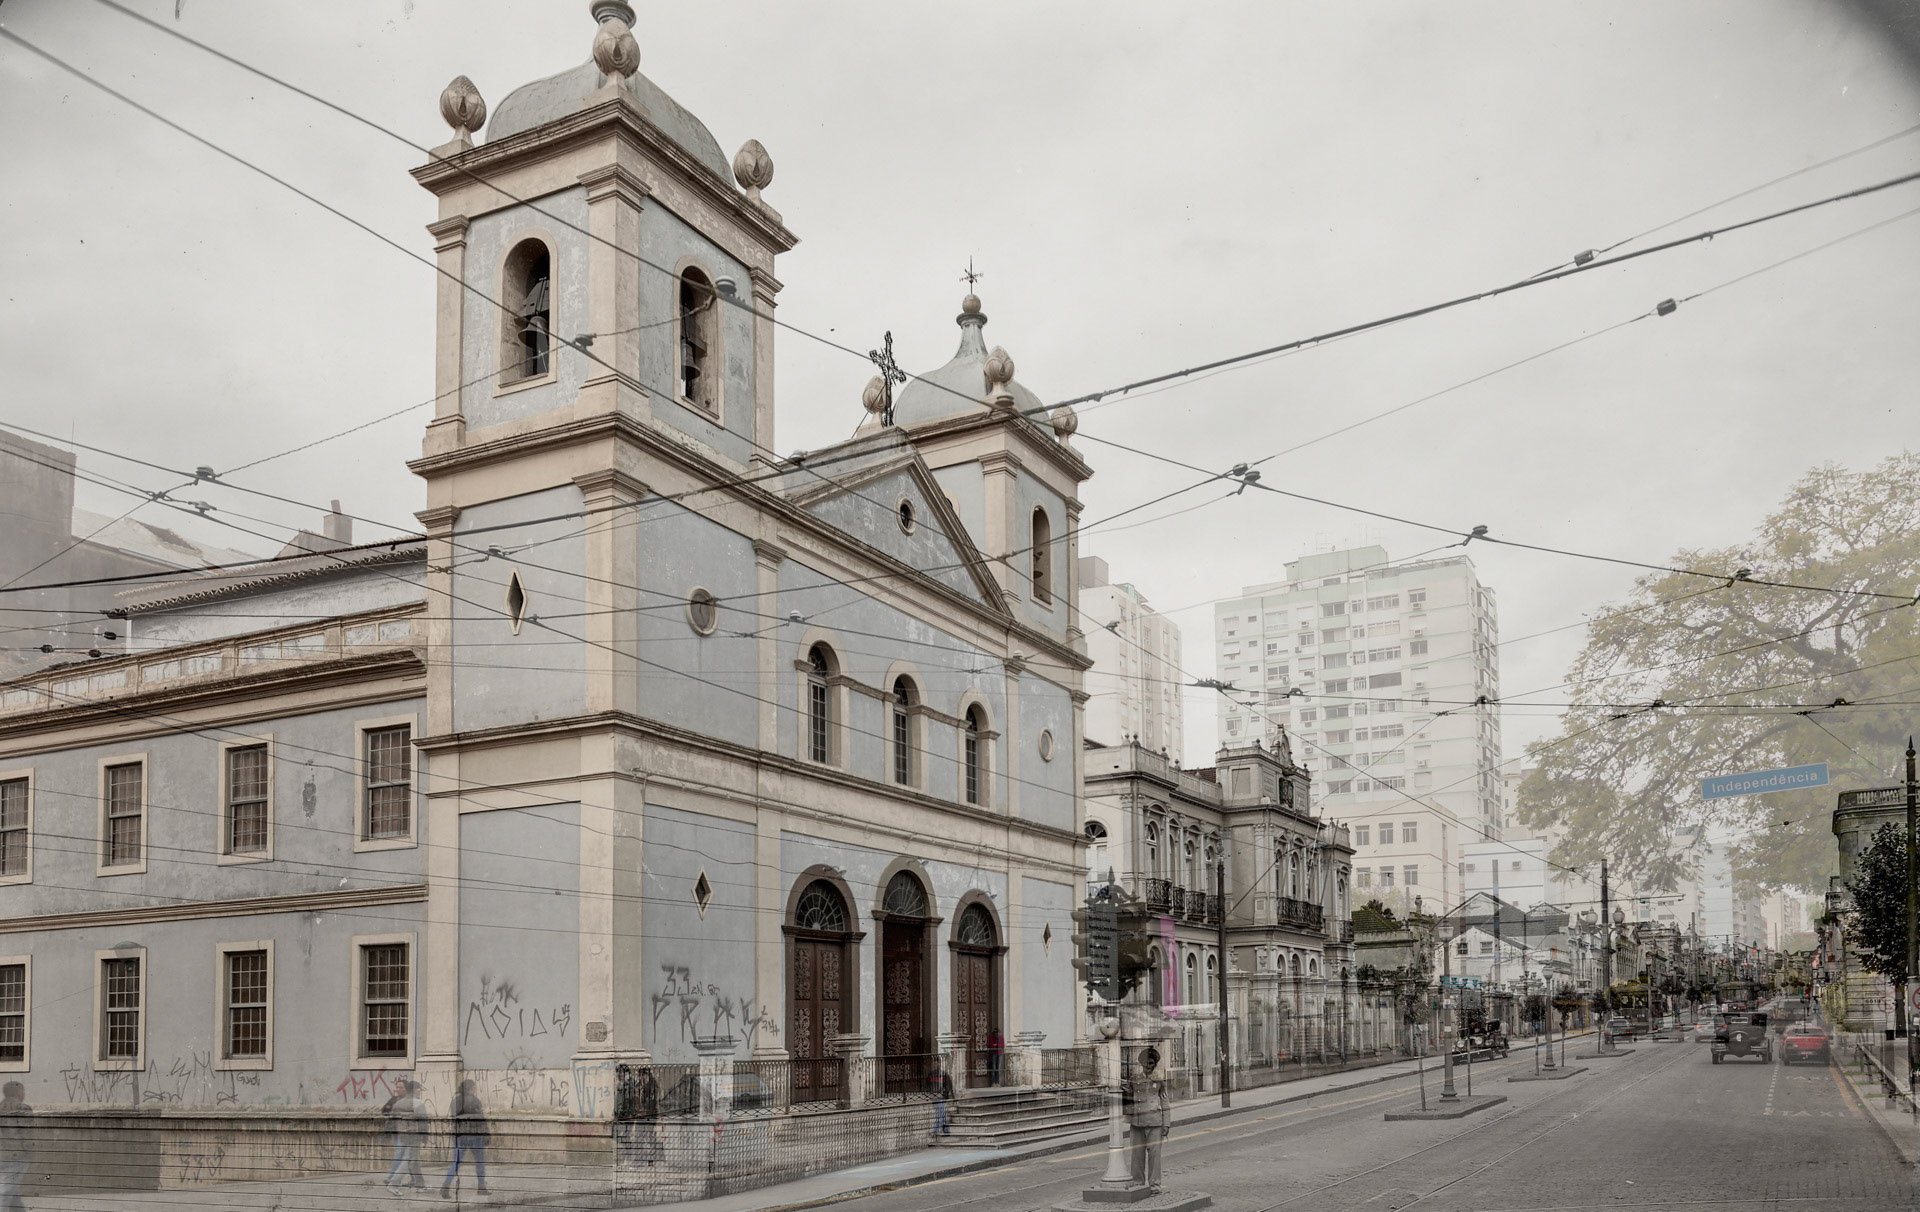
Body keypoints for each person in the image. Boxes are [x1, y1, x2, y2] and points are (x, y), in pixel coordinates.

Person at [1124, 1048, 1170, 1191]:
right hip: (1137, 1122)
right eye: (1146, 1063)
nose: (1149, 1066)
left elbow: (1165, 1102)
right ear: (1142, 1064)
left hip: (1155, 1122)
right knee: (1137, 1155)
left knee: (1155, 1155)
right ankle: (1138, 1183)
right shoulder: (1134, 1080)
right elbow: (1127, 1100)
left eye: (1151, 1063)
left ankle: (1155, 1184)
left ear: (1155, 1064)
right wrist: (1128, 1117)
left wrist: (1166, 1123)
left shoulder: (1159, 1081)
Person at [441, 1080, 490, 1199]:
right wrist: (486, 1134)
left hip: (459, 1134)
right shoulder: (475, 1100)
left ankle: (446, 1185)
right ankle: (481, 1187)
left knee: (457, 1161)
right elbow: (480, 1119)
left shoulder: (454, 1101)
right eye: (474, 1088)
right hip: (474, 1134)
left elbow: (454, 1118)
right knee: (479, 1160)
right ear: (472, 1088)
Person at [383, 1080, 430, 1195]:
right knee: (409, 1159)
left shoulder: (398, 1103)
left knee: (414, 1160)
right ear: (413, 1090)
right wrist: (425, 1137)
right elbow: (423, 1122)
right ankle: (393, 1184)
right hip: (414, 1135)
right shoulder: (418, 1103)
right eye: (418, 1089)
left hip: (402, 1134)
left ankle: (421, 1184)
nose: (420, 1091)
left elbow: (392, 1120)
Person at [0, 1082, 31, 1212]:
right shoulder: (23, 1108)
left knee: (13, 1191)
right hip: (16, 1156)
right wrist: (30, 1152)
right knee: (6, 1192)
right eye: (23, 1090)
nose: (24, 1093)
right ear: (18, 1092)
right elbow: (26, 1134)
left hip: (2, 1155)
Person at [927, 1060, 954, 1137]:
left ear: (939, 1065)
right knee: (942, 1114)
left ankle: (934, 1132)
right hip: (934, 1097)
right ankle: (947, 1130)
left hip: (941, 1097)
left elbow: (948, 1086)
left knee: (939, 1115)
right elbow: (928, 1085)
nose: (934, 1066)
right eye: (933, 1064)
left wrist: (947, 1094)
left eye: (936, 1064)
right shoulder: (930, 1075)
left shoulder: (944, 1075)